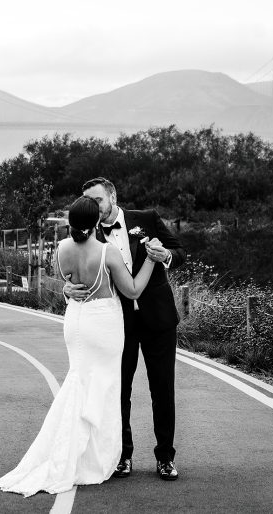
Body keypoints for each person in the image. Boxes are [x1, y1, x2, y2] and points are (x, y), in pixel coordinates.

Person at [0, 195, 162, 497]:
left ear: (71, 222)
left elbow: (68, 285)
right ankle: (93, 459)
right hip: (103, 324)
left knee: (79, 381)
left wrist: (66, 290)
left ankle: (73, 451)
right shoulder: (108, 252)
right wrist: (151, 259)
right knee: (105, 388)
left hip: (76, 322)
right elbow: (134, 290)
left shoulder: (61, 249)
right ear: (96, 221)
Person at [64, 177, 185, 481]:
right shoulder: (89, 234)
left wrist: (166, 256)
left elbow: (179, 250)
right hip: (117, 324)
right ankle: (122, 455)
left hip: (158, 318)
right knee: (119, 391)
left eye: (98, 201)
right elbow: (76, 269)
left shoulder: (146, 219)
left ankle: (165, 458)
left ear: (113, 196)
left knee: (162, 389)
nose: (95, 207)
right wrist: (68, 288)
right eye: (89, 203)